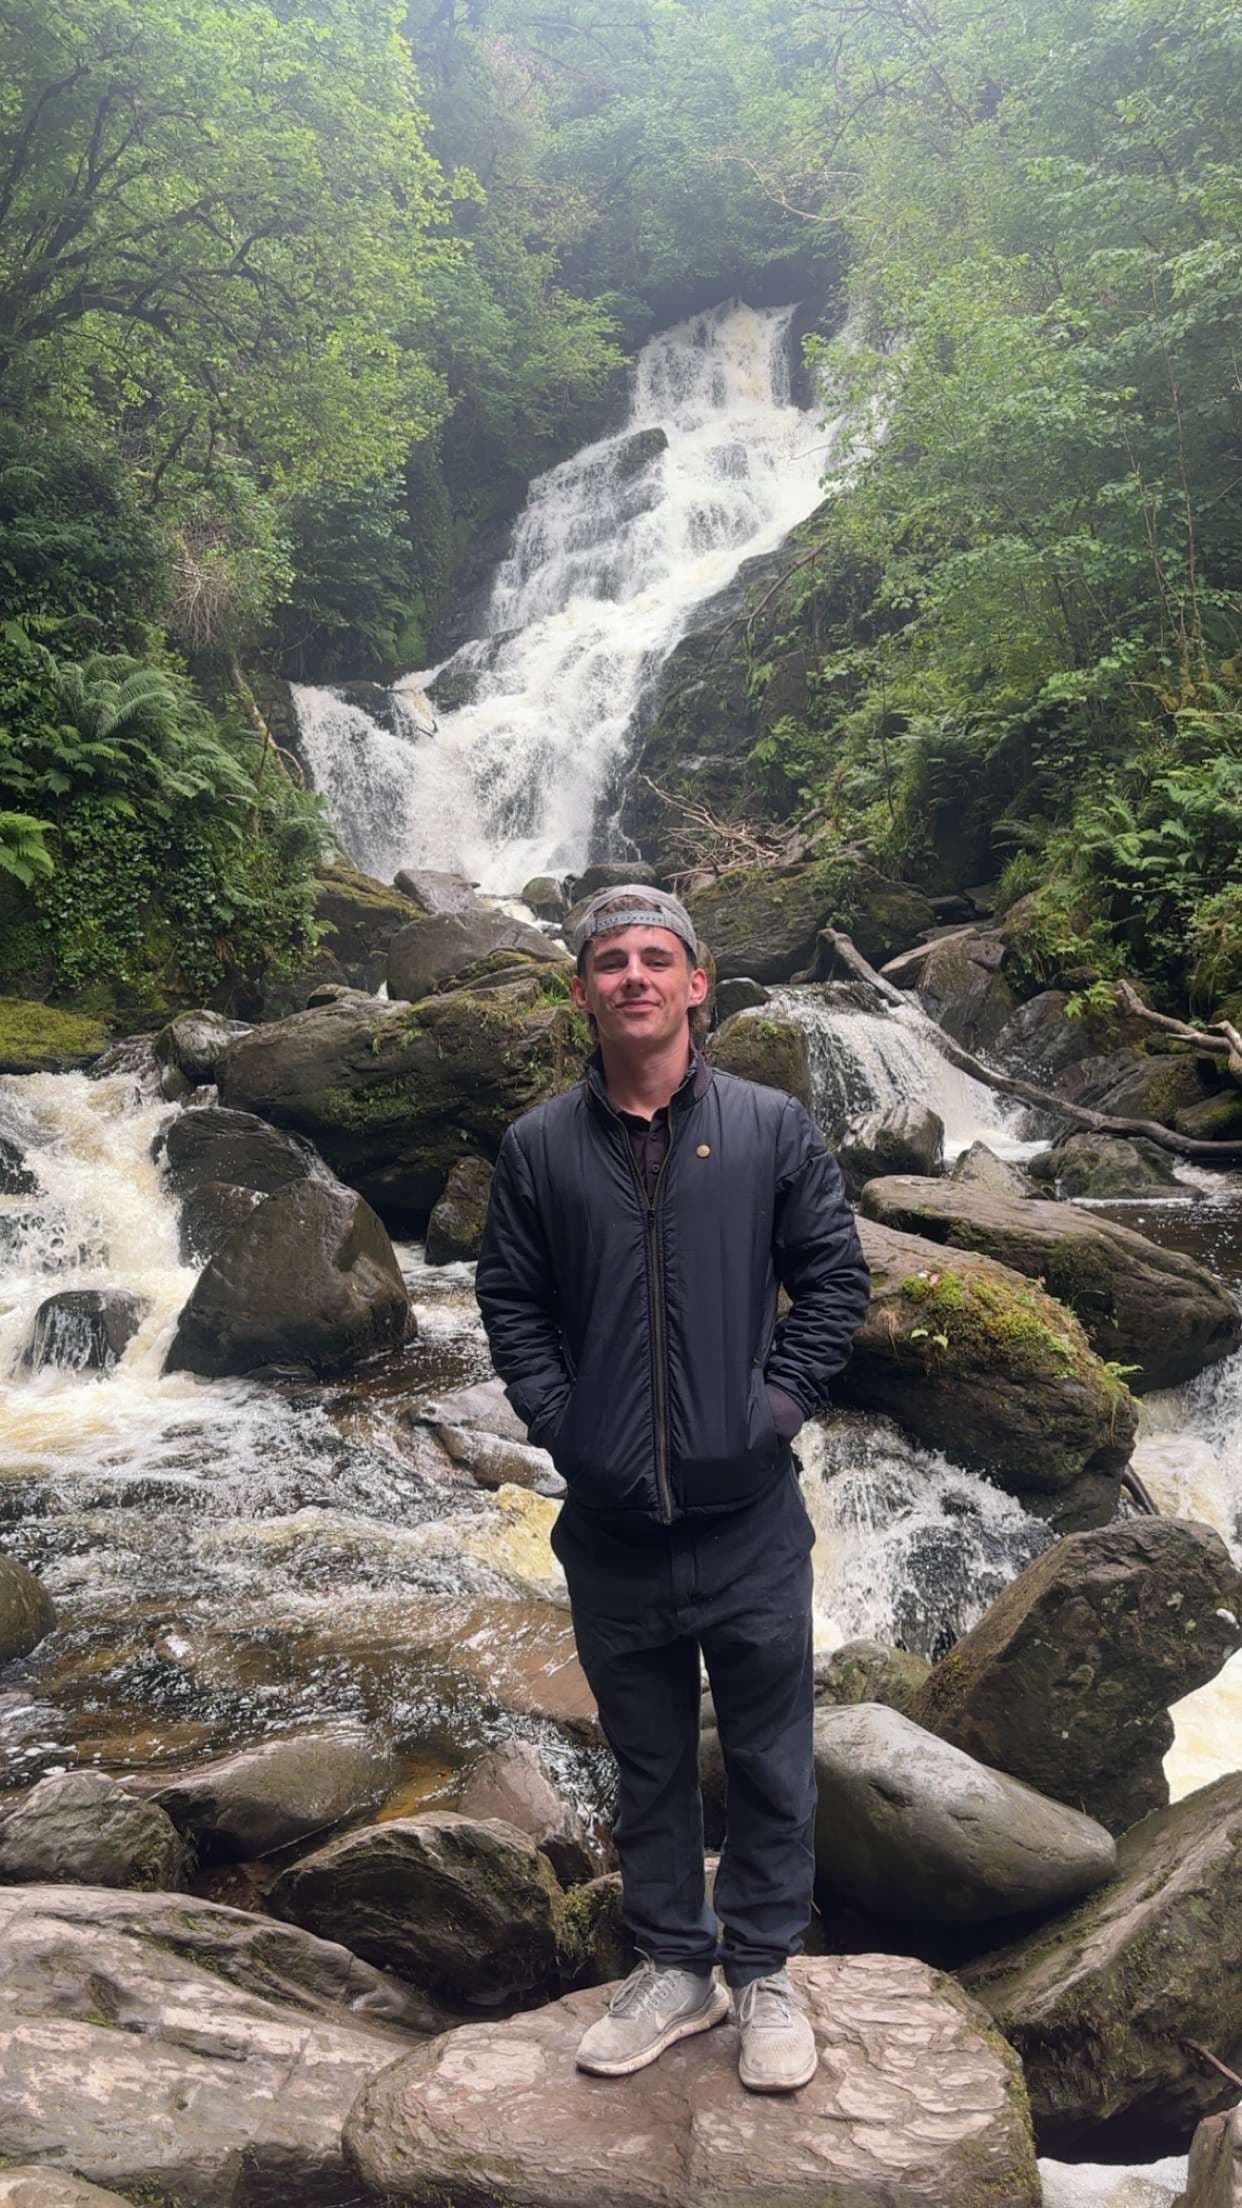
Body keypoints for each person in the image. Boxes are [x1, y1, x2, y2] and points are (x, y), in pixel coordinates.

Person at [475, 884, 870, 2092]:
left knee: (770, 1756)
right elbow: (512, 1306)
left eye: (657, 959)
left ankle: (763, 1973)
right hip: (610, 1523)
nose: (634, 977)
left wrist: (774, 1411)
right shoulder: (539, 1146)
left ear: (700, 984)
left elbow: (835, 1283)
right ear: (584, 990)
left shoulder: (769, 1128)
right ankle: (674, 1969)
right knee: (644, 1760)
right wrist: (564, 1425)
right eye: (610, 962)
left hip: (748, 1513)